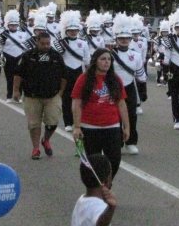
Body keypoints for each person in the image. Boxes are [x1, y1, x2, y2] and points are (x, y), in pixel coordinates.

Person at [72, 49, 130, 178]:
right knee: (92, 163)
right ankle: (96, 187)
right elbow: (77, 103)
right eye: (103, 59)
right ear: (95, 61)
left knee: (114, 160)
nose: (106, 62)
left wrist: (126, 127)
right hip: (90, 128)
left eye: (109, 59)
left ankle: (107, 184)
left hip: (112, 127)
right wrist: (76, 127)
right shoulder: (84, 79)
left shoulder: (115, 79)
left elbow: (121, 104)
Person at [13, 32, 67, 159]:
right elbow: (18, 74)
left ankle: (46, 139)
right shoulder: (28, 56)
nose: (46, 46)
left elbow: (64, 76)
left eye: (48, 43)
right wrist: (16, 90)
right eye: (43, 44)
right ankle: (36, 148)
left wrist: (61, 92)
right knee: (34, 124)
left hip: (52, 96)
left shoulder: (56, 56)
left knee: (53, 122)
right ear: (37, 42)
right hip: (32, 96)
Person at [110, 14, 146, 155]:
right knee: (115, 116)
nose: (124, 40)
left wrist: (142, 91)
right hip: (114, 88)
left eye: (127, 38)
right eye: (121, 38)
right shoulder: (110, 54)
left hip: (130, 87)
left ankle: (131, 142)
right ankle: (117, 142)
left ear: (130, 39)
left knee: (131, 116)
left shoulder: (136, 55)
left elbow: (140, 75)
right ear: (116, 39)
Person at [59, 11, 91, 132]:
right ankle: (68, 122)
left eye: (75, 30)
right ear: (66, 31)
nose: (73, 32)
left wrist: (88, 74)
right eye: (70, 30)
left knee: (79, 98)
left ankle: (79, 120)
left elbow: (87, 60)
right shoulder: (61, 43)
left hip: (79, 72)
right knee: (66, 98)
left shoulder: (83, 43)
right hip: (65, 72)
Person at [71, 154, 116, 226]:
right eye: (110, 174)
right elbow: (100, 223)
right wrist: (111, 208)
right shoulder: (99, 206)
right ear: (106, 180)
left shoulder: (82, 200)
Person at [0, 10, 30, 103]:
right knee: (9, 78)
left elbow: (27, 46)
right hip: (8, 57)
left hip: (20, 57)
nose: (13, 27)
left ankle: (18, 96)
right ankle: (9, 96)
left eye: (15, 25)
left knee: (19, 77)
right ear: (8, 25)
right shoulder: (4, 34)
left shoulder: (23, 33)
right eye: (11, 25)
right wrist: (0, 55)